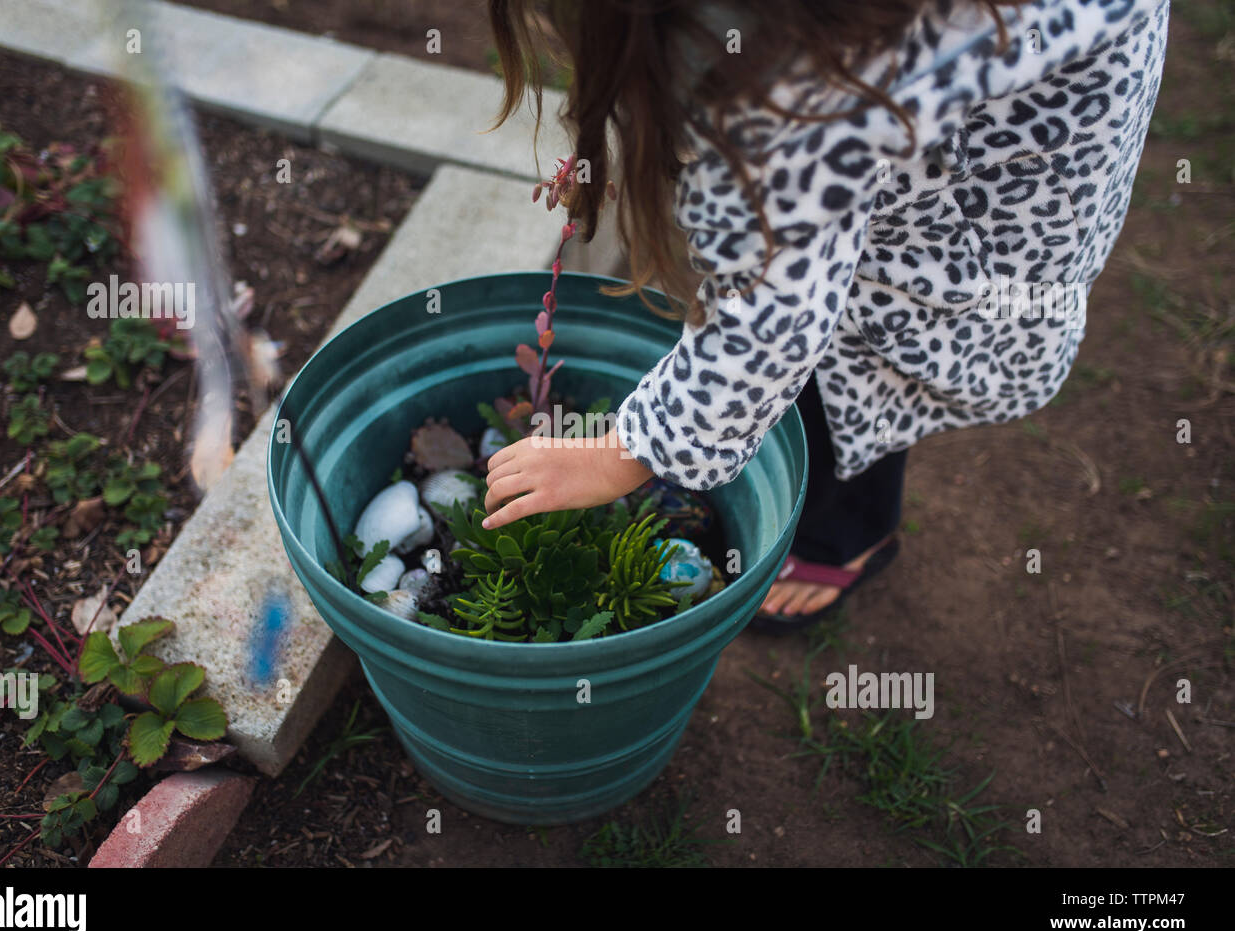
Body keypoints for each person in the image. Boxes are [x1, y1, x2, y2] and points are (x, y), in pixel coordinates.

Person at [479, 0, 1169, 626]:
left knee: (873, 360)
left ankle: (847, 537)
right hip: (999, 104)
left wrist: (626, 452)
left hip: (998, 203)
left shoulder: (798, 87)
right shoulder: (798, 58)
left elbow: (771, 324)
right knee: (843, 340)